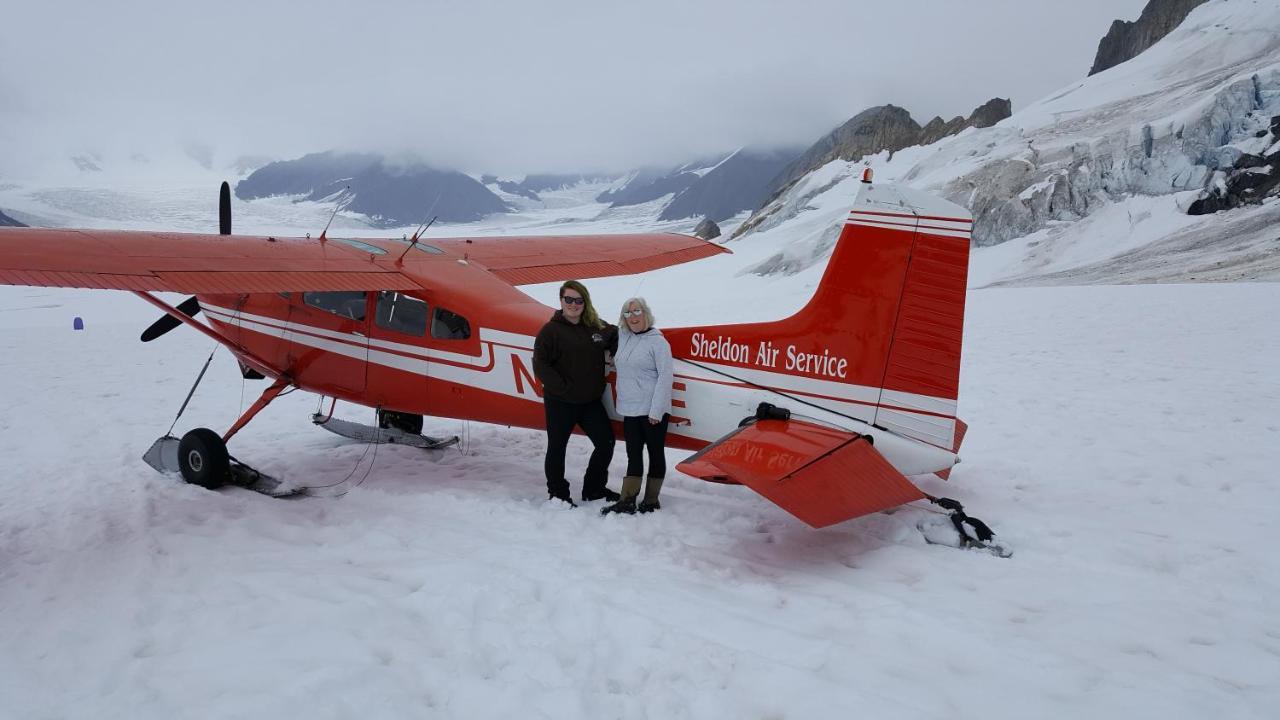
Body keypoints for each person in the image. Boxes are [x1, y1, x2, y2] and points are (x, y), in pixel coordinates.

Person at [533, 280, 620, 506]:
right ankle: (558, 494)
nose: (573, 304)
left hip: (589, 401)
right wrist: (563, 388)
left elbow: (615, 334)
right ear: (561, 301)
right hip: (561, 401)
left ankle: (594, 488)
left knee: (606, 443)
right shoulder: (551, 331)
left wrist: (612, 352)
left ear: (585, 302)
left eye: (578, 300)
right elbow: (540, 364)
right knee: (557, 448)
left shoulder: (594, 326)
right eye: (568, 300)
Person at [602, 297, 673, 515]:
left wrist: (656, 411)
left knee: (655, 452)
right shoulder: (624, 336)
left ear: (645, 313)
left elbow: (665, 377)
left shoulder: (658, 342)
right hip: (630, 409)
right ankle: (628, 500)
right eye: (627, 313)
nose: (632, 316)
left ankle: (651, 500)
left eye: (636, 311)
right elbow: (602, 328)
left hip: (652, 409)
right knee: (633, 453)